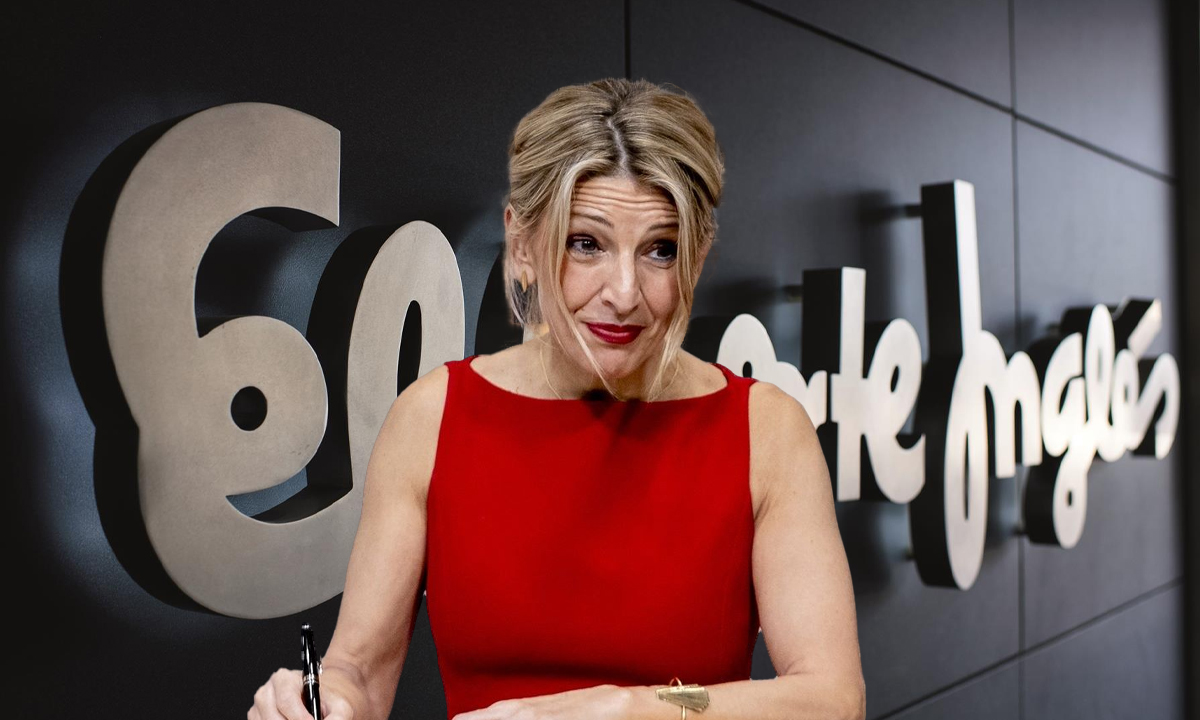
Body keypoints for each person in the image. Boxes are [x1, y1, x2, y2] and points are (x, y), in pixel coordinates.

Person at [248, 78, 864, 720]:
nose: (623, 293)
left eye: (660, 250)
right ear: (522, 245)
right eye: (585, 244)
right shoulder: (433, 416)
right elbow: (358, 672)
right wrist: (317, 701)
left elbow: (831, 698)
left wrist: (635, 709)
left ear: (698, 257)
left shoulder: (766, 429)